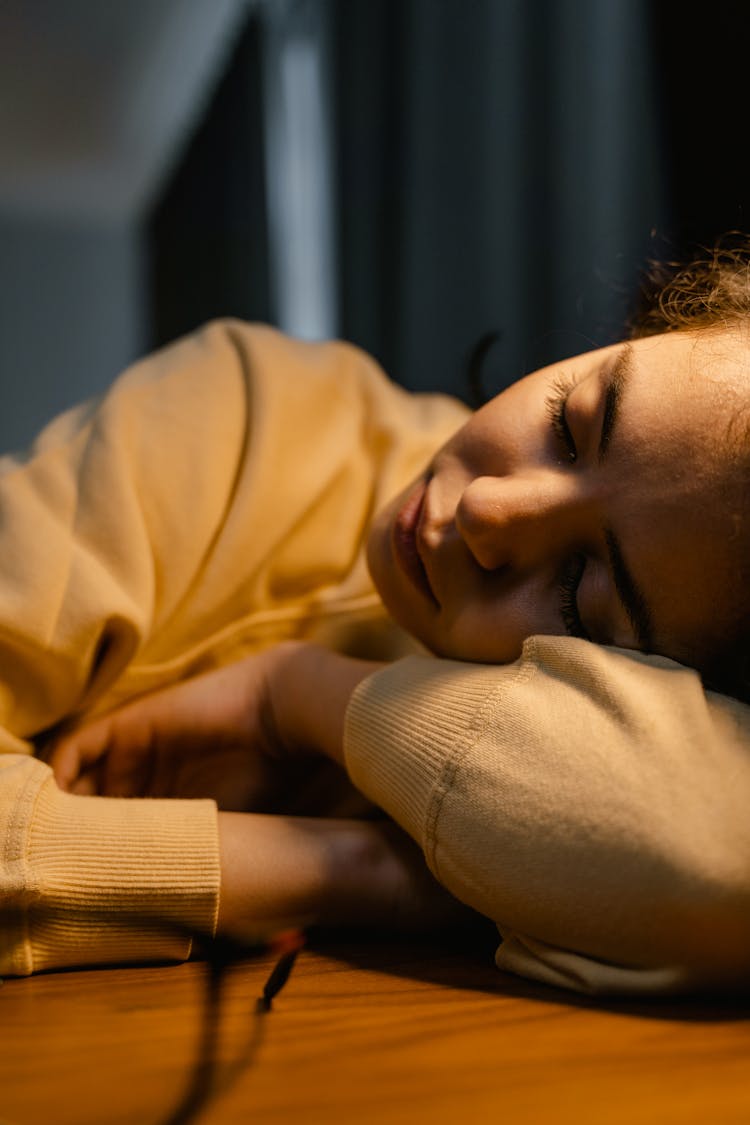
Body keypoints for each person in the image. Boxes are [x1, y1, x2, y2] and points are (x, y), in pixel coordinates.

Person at [2, 241, 750, 994]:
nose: (489, 512)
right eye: (568, 424)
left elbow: (715, 857)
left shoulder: (584, 774)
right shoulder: (251, 420)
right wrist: (401, 875)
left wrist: (307, 711)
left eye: (578, 589)